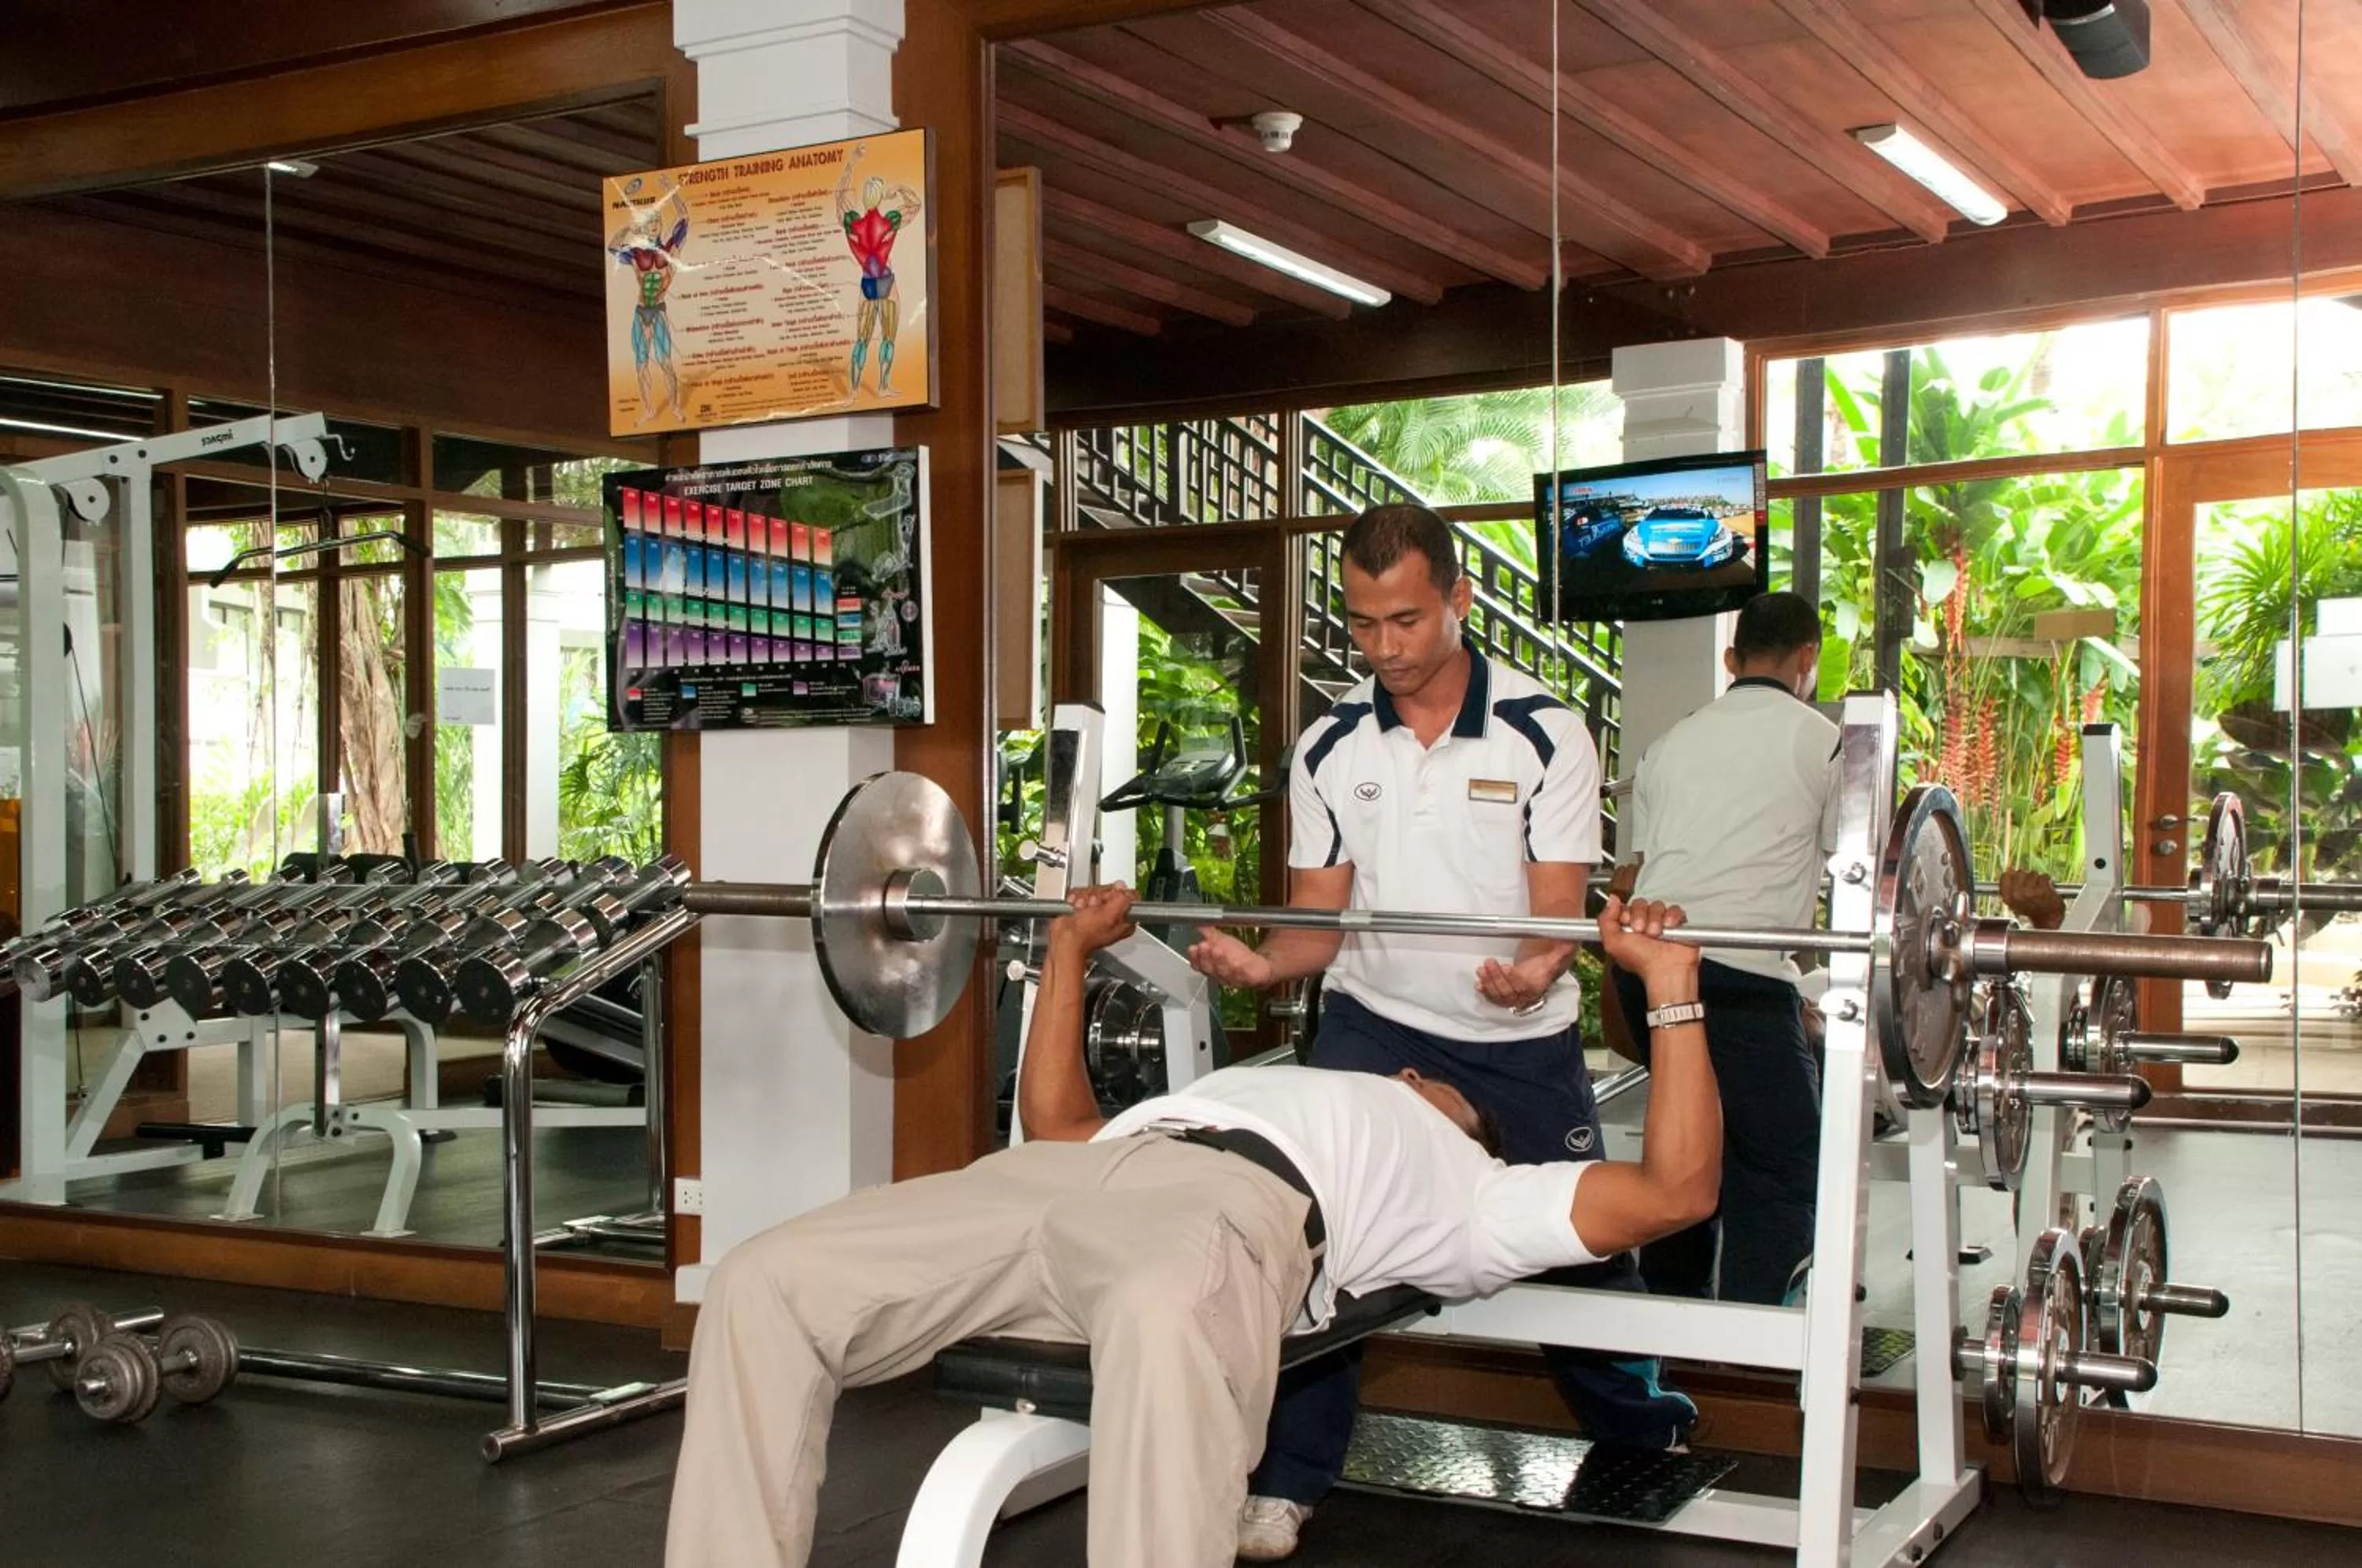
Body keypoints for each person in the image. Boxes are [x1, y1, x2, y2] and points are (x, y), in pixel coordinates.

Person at [664, 884, 1721, 1568]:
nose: (1427, 1078)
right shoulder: (1270, 1085)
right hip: (1064, 1173)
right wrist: (1074, 948)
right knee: (763, 1280)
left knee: (1165, 1323)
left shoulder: (1478, 1189)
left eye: (1449, 1088)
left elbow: (1677, 1189)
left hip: (1229, 1209)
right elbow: (1058, 1123)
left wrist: (1671, 991)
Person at [1187, 503, 1695, 1562]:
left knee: (1586, 1248)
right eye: (1364, 624)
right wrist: (1262, 962)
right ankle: (1286, 1483)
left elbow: (1558, 903)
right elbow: (1317, 929)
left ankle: (1649, 1435)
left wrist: (1540, 967)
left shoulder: (1545, 730)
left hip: (1522, 1043)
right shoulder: (1331, 744)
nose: (1385, 649)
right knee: (1317, 1248)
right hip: (1372, 1025)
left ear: (1460, 600)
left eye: (1407, 621)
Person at [1609, 590, 1838, 1309]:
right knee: (1780, 1168)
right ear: (1809, 659)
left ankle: (1671, 1334)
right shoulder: (1822, 740)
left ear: (1732, 659)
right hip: (1735, 980)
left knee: (1687, 1153)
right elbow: (1852, 865)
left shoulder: (1669, 742)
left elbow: (1635, 873)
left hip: (1648, 970)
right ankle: (1756, 1359)